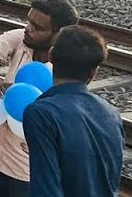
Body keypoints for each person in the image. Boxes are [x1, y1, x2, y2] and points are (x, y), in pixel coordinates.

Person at [0, 0, 80, 197]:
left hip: (26, 171)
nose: (28, 28)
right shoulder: (21, 40)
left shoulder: (64, 70)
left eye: (37, 27)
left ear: (58, 34)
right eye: (29, 21)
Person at [24, 25, 123, 197]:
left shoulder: (41, 113)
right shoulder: (111, 113)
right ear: (94, 71)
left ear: (51, 55)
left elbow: (46, 188)